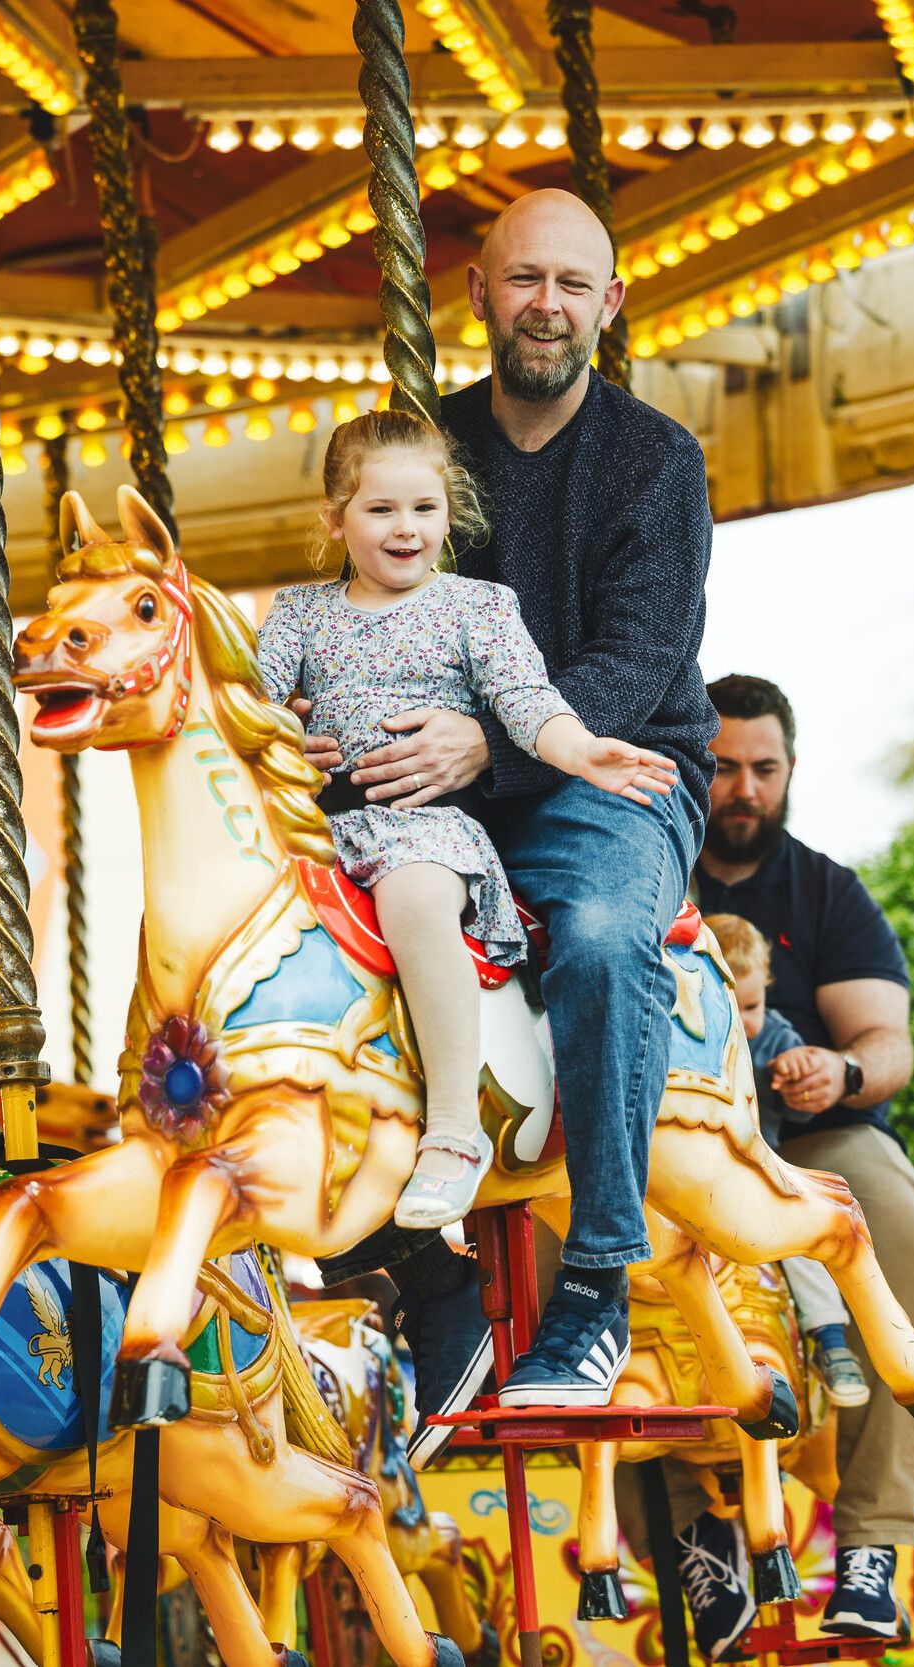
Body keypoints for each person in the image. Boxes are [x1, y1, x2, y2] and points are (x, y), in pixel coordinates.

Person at [303, 187, 716, 1435]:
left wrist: (488, 741)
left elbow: (640, 658)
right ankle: (427, 1272)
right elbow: (358, 617)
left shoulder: (656, 462)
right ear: (477, 292)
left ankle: (595, 1276)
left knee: (595, 934)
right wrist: (315, 733)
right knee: (301, 951)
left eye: (571, 284)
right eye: (523, 279)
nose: (546, 306)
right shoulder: (426, 458)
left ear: (610, 303)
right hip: (436, 790)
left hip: (615, 773)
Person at [259, 409, 681, 1236]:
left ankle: (452, 1130)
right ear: (334, 517)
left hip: (420, 827)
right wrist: (283, 740)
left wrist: (582, 749)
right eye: (379, 509)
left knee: (416, 902)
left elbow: (527, 701)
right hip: (318, 832)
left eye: (423, 508)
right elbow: (249, 702)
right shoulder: (299, 615)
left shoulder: (477, 607)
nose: (404, 528)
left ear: (449, 513)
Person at [693, 674, 914, 1641]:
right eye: (720, 767)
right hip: (680, 1135)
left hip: (809, 1134)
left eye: (763, 768)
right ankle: (691, 1536)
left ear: (790, 772)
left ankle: (873, 1541)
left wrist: (837, 1071)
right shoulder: (643, 869)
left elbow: (887, 1041)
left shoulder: (825, 890)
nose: (742, 787)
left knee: (888, 1207)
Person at [708, 911, 870, 1410]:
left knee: (802, 1231)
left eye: (752, 1005)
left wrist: (794, 1071)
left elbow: (796, 1080)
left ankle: (830, 1338)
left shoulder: (774, 1037)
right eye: (725, 1006)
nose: (741, 1020)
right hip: (693, 1172)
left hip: (756, 1166)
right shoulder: (684, 1034)